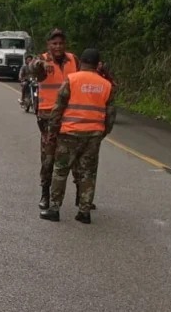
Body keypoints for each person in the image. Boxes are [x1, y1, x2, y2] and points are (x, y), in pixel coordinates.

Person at [40, 48, 116, 224]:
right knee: (87, 173)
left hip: (69, 133)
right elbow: (110, 115)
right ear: (98, 65)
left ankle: (54, 209)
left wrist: (53, 132)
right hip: (93, 135)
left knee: (60, 171)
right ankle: (84, 212)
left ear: (81, 62)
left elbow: (58, 108)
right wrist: (102, 133)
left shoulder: (72, 79)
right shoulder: (106, 85)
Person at [28, 28, 81, 210]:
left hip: (70, 115)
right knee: (48, 157)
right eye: (54, 43)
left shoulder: (73, 60)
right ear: (48, 45)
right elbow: (32, 68)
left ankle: (82, 196)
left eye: (60, 43)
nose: (58, 46)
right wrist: (41, 66)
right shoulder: (42, 60)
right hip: (48, 117)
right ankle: (45, 194)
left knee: (75, 156)